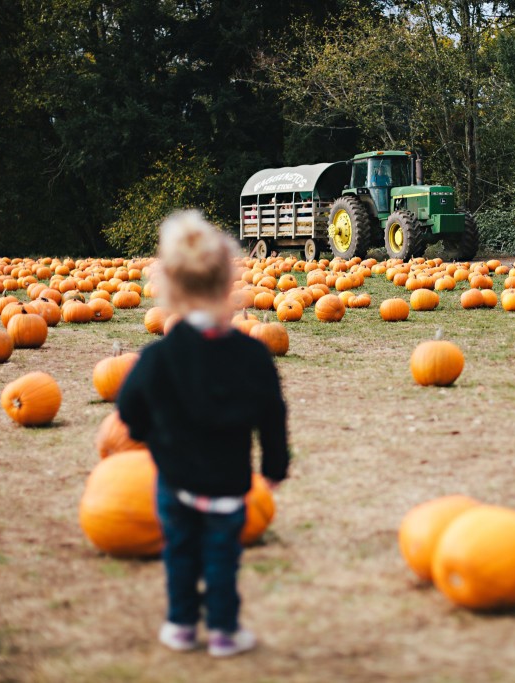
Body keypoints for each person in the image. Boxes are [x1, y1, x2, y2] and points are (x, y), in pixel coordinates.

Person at [117, 209, 290, 657]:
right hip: (229, 484)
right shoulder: (252, 355)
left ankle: (179, 624)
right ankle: (223, 632)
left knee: (180, 553)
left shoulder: (158, 357)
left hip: (174, 481)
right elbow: (272, 414)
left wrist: (145, 433)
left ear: (169, 290)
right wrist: (274, 467)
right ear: (228, 283)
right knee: (221, 558)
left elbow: (128, 405)